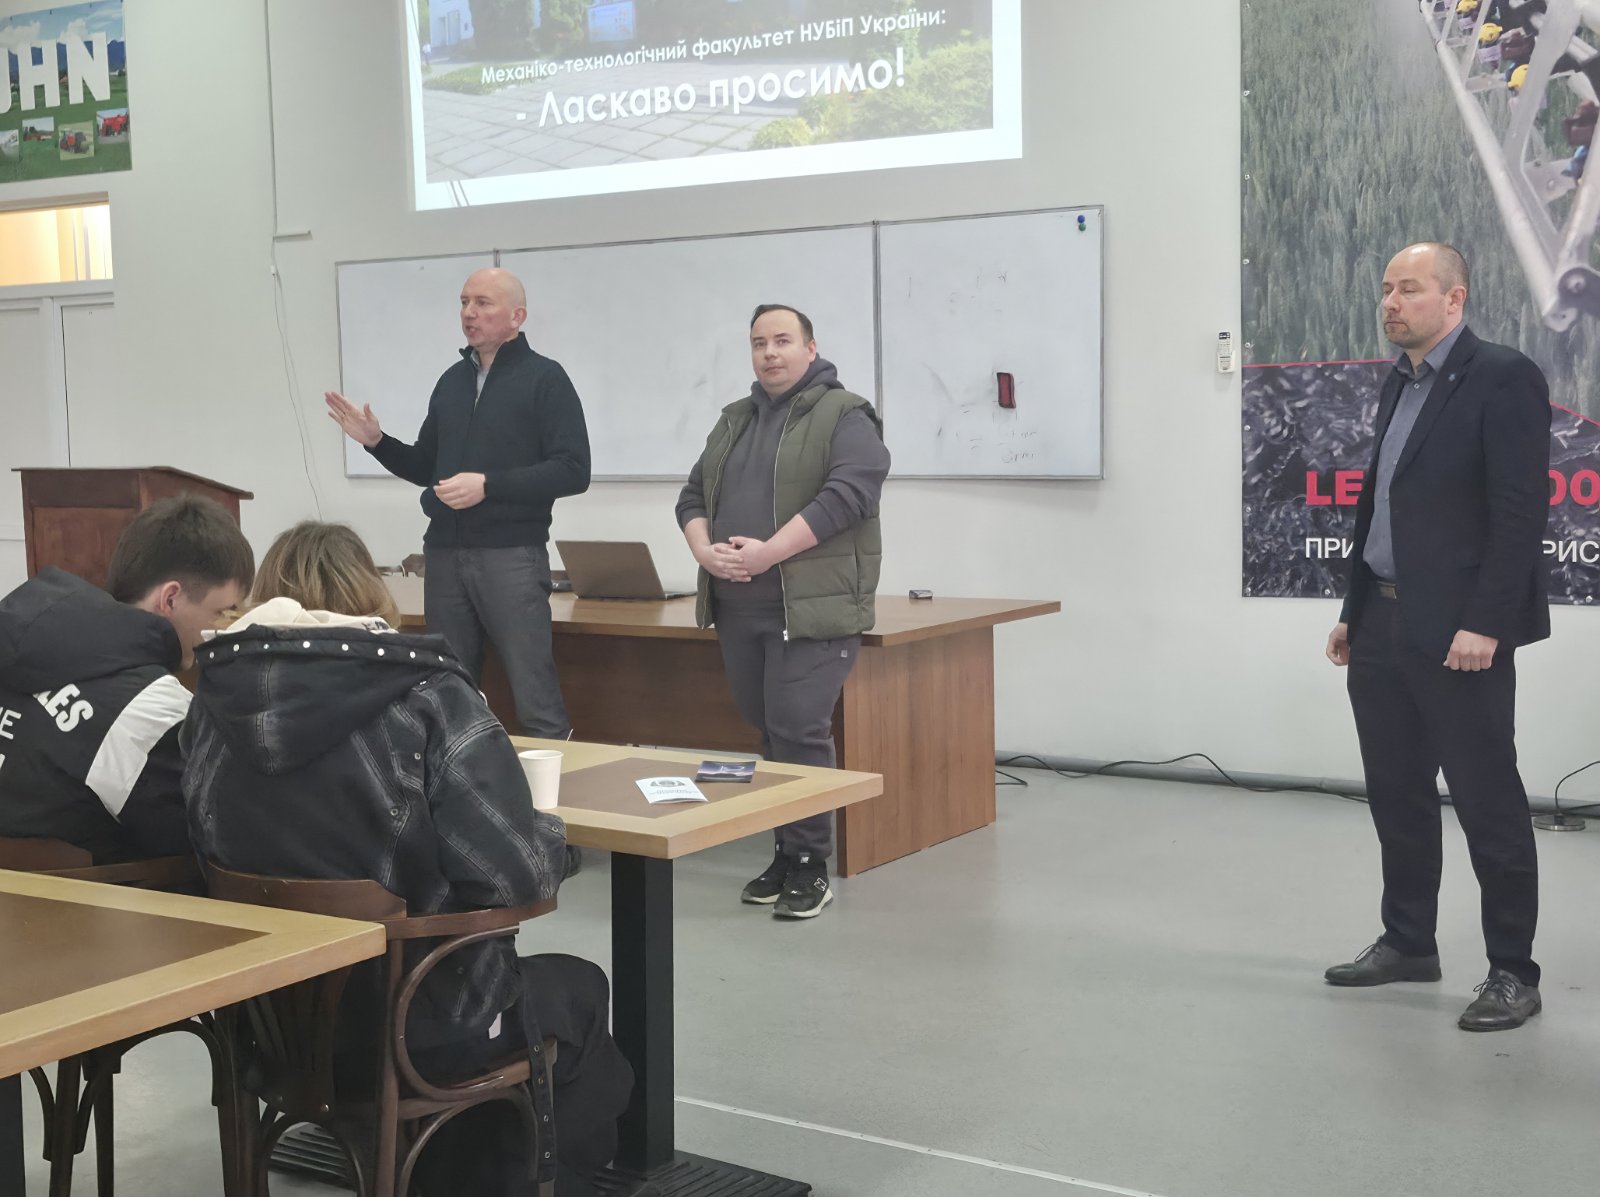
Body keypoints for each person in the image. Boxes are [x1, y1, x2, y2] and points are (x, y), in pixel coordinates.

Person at [181, 521, 644, 1196]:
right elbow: (514, 876)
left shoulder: (207, 702)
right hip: (419, 1028)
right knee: (579, 992)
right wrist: (550, 832)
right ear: (371, 594)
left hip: (268, 1027)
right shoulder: (429, 695)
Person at [1324, 242, 1551, 1032]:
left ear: (1454, 300)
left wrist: (1486, 621)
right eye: (1386, 288)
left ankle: (1513, 970)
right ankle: (1409, 941)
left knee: (1488, 799)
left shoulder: (1502, 377)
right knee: (1397, 791)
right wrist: (1354, 608)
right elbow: (1380, 509)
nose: (1391, 302)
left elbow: (1519, 513)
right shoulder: (1400, 381)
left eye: (1410, 289)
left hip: (1461, 632)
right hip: (1383, 622)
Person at [675, 304, 890, 919]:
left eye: (782, 341)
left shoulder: (844, 414)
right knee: (768, 731)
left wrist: (769, 552)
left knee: (799, 731)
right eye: (758, 343)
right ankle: (784, 851)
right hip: (739, 607)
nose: (769, 353)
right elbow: (692, 496)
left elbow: (849, 495)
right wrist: (704, 551)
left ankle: (810, 864)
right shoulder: (735, 419)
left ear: (810, 347)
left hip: (811, 610)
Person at [325, 266, 590, 740]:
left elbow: (573, 470)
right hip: (444, 555)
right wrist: (377, 442)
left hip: (511, 556)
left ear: (517, 316)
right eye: (465, 302)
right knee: (447, 691)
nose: (469, 313)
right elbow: (427, 467)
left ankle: (555, 784)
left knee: (534, 694)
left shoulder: (545, 379)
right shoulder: (451, 382)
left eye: (483, 303)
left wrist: (489, 485)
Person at [0, 495, 254, 862]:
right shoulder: (152, 710)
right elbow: (205, 844)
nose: (224, 630)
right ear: (170, 598)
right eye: (223, 611)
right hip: (91, 896)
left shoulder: (16, 640)